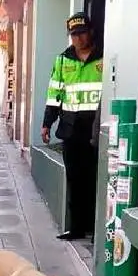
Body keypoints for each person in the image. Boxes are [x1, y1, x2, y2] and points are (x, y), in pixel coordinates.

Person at [41, 12, 104, 241]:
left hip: (95, 129)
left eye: (82, 33)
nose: (78, 39)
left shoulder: (102, 58)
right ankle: (77, 227)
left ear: (91, 33)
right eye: (74, 35)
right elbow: (54, 94)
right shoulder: (63, 59)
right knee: (75, 180)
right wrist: (47, 123)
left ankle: (96, 229)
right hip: (70, 129)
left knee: (95, 179)